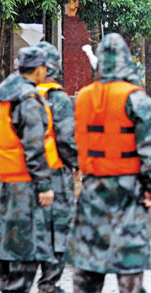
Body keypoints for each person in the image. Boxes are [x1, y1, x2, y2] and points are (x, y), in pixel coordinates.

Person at [66, 33, 151, 293]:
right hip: (128, 190)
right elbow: (149, 151)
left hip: (92, 189)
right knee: (129, 264)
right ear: (126, 62)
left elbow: (72, 141)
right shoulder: (137, 99)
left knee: (88, 265)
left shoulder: (82, 98)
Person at [0, 47, 56, 292]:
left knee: (5, 246)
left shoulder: (4, 94)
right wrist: (44, 184)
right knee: (24, 252)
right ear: (39, 69)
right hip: (22, 185)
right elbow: (34, 148)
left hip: (2, 181)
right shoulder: (28, 100)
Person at [35, 41, 78, 293]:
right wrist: (76, 163)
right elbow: (65, 138)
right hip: (53, 174)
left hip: (19, 175)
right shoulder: (57, 98)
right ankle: (48, 282)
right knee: (59, 229)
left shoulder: (15, 95)